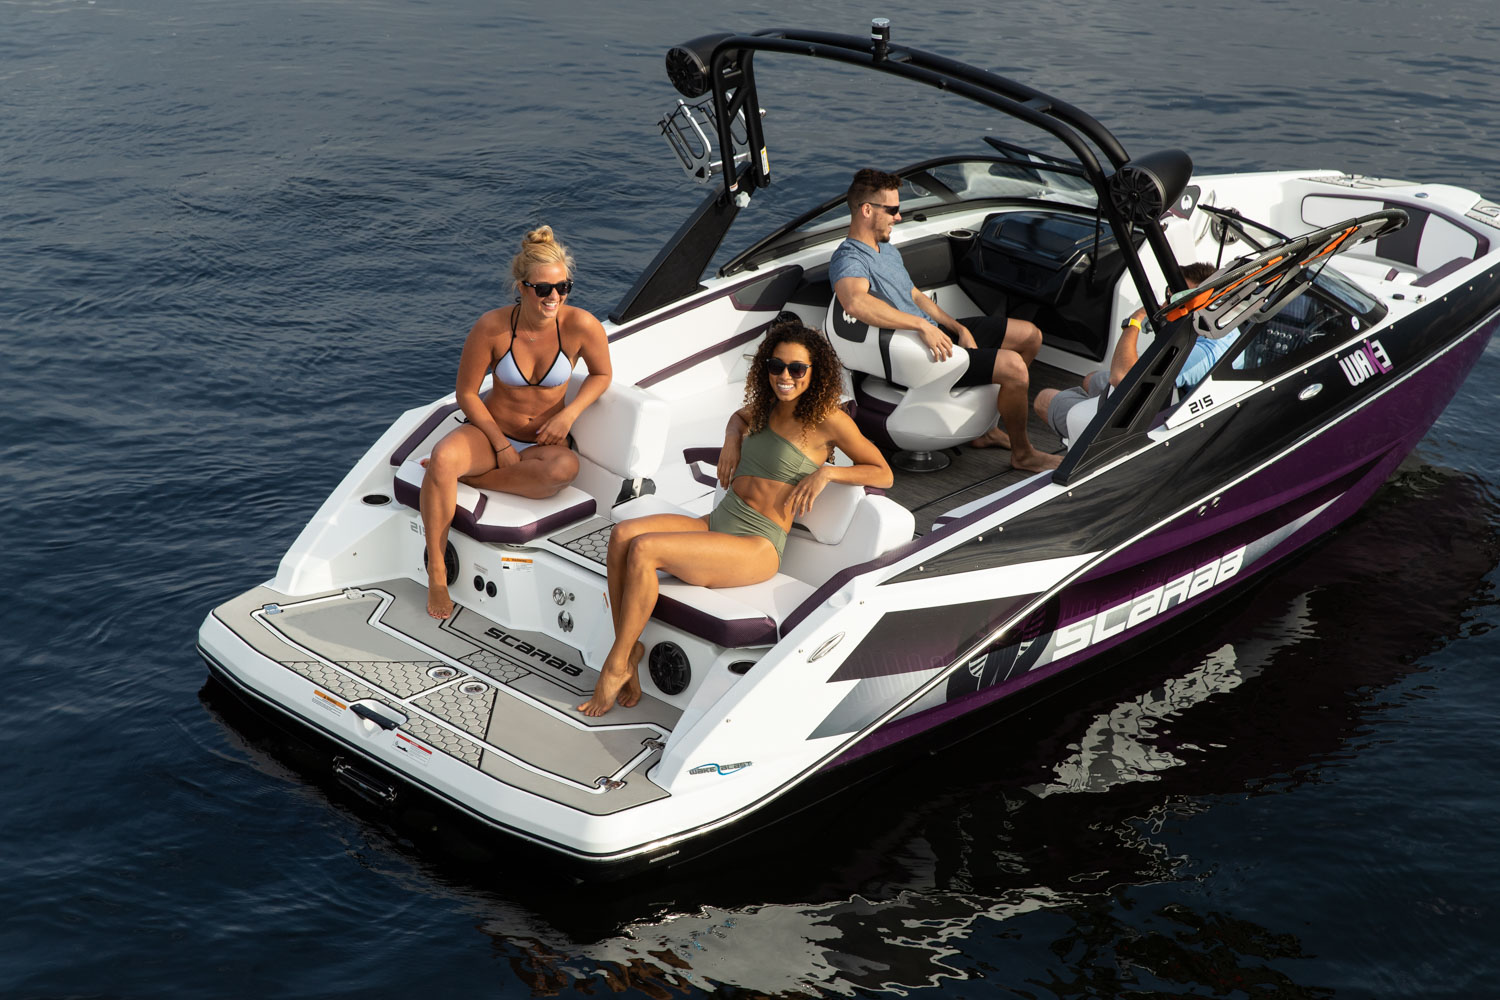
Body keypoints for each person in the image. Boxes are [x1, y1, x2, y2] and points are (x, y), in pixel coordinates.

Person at [577, 320, 893, 716]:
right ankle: (628, 650)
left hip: (756, 546)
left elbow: (883, 472)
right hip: (718, 522)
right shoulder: (765, 407)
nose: (785, 376)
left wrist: (828, 473)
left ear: (815, 372)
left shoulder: (829, 420)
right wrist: (730, 440)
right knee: (623, 534)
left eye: (797, 368)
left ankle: (615, 665)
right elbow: (738, 419)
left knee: (644, 550)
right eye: (777, 366)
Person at [420, 226, 612, 619]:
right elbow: (467, 393)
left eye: (563, 287)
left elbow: (602, 374)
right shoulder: (492, 328)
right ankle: (437, 572)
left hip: (543, 445)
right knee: (443, 457)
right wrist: (501, 445)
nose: (554, 297)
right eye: (544, 289)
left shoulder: (581, 326)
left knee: (564, 470)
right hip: (491, 433)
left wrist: (569, 414)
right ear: (522, 287)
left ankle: (470, 480)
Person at [829, 168, 1061, 472]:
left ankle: (987, 430)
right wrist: (920, 325)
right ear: (867, 210)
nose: (898, 217)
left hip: (934, 335)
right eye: (893, 210)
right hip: (917, 353)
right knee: (1014, 368)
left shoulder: (884, 248)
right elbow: (855, 302)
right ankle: (1023, 454)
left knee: (1029, 336)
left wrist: (958, 327)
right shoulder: (849, 258)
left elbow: (914, 295)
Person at [1034, 262, 1233, 440]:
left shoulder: (1202, 352)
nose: (1166, 304)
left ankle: (1083, 439)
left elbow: (1122, 378)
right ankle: (1089, 417)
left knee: (1044, 399)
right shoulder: (1224, 330)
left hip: (1146, 421)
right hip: (1163, 399)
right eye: (1169, 293)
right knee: (1092, 379)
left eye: (1178, 299)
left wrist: (1134, 322)